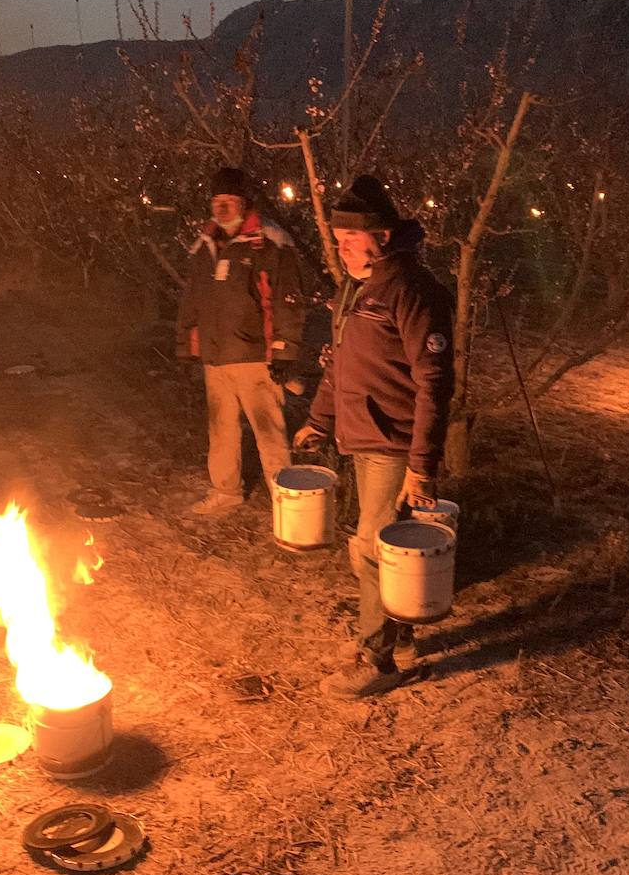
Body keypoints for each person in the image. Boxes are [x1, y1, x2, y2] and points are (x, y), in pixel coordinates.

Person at [294, 176, 454, 699]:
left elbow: (434, 381)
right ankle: (400, 645)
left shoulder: (411, 289)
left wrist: (422, 465)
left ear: (382, 237)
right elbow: (340, 363)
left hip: (395, 443)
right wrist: (320, 420)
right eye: (336, 239)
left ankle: (378, 660)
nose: (341, 249)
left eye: (349, 240)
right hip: (362, 437)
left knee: (372, 549)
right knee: (375, 546)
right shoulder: (358, 288)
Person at [177, 166, 305, 515]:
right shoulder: (205, 245)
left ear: (244, 204)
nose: (221, 208)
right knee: (221, 431)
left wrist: (284, 349)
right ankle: (226, 491)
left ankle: (288, 504)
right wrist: (187, 343)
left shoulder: (269, 242)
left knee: (269, 432)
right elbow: (193, 297)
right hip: (216, 358)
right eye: (216, 201)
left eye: (229, 201)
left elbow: (287, 298)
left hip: (254, 356)